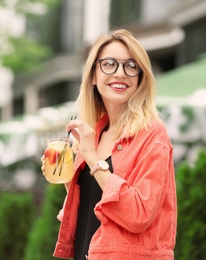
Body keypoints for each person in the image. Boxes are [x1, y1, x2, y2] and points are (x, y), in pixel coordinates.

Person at [42, 29, 177, 260]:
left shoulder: (152, 135)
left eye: (130, 66)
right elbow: (94, 207)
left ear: (140, 78)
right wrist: (69, 182)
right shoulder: (93, 135)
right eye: (109, 64)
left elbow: (139, 214)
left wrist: (93, 159)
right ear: (93, 76)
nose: (120, 73)